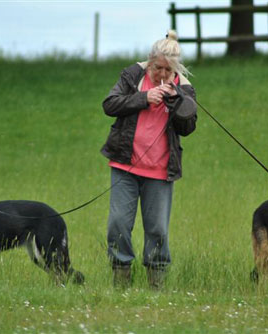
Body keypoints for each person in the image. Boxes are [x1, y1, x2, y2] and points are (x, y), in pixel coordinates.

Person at [100, 30, 197, 289]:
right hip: (125, 165)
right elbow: (109, 104)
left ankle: (157, 287)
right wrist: (143, 98)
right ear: (149, 62)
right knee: (118, 224)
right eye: (157, 68)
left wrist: (177, 104)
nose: (162, 74)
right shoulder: (132, 76)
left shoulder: (184, 88)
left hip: (161, 170)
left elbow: (188, 128)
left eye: (168, 69)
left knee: (157, 230)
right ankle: (121, 283)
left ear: (176, 68)